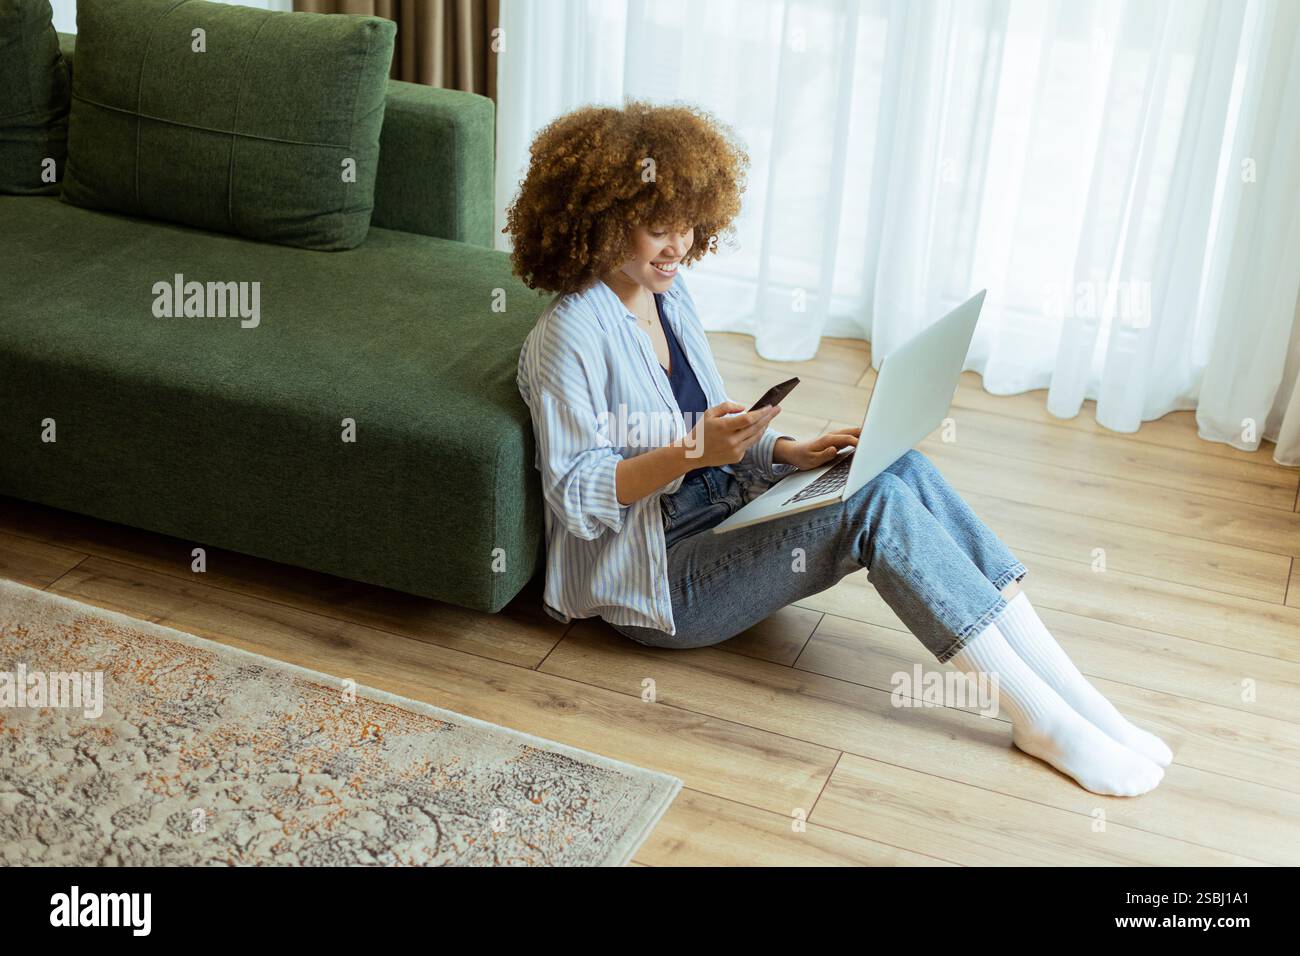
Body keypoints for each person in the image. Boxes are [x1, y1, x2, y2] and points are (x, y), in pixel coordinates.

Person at [507, 100, 1170, 796]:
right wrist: (692, 454)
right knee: (873, 506)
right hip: (660, 581)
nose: (680, 245)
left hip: (723, 510)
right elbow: (578, 496)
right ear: (604, 219)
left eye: (691, 225)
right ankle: (1039, 720)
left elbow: (710, 437)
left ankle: (1076, 696)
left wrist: (787, 452)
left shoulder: (668, 298)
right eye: (658, 228)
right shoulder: (566, 338)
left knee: (895, 465)